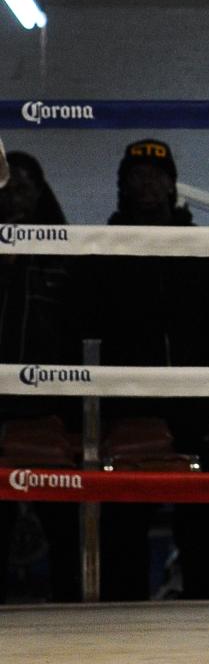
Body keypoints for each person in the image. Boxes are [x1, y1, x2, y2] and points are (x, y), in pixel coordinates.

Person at [77, 139, 209, 600]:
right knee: (122, 539)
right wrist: (91, 419)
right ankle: (122, 642)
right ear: (123, 187)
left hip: (200, 411)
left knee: (204, 541)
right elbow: (82, 336)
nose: (147, 184)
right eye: (137, 176)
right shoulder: (100, 253)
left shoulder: (206, 252)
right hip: (126, 412)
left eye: (157, 176)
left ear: (172, 185)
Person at [0, 152, 82, 602]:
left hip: (50, 411)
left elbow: (80, 333)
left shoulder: (63, 256)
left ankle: (73, 614)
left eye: (25, 186)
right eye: (8, 188)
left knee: (62, 524)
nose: (16, 196)